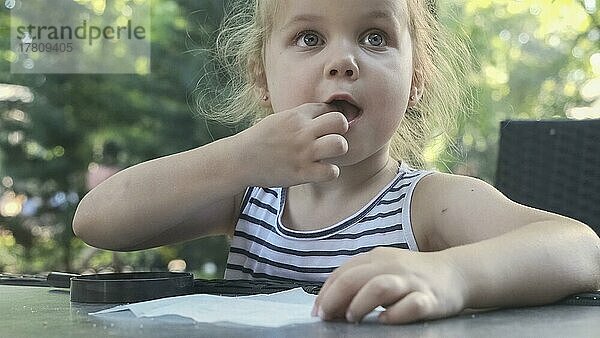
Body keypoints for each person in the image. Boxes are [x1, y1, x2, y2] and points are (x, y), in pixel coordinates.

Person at [72, 0, 600, 325]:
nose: (343, 60)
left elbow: (580, 248)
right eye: (309, 38)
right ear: (262, 78)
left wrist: (448, 276)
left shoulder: (426, 204)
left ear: (415, 81)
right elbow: (96, 221)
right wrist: (236, 157)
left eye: (376, 38)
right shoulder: (248, 194)